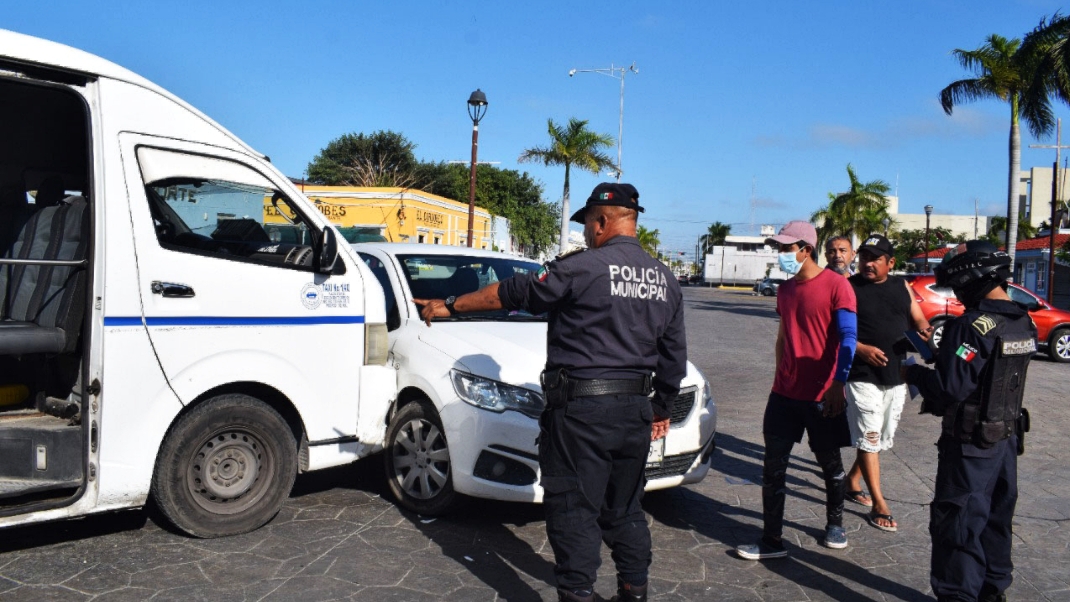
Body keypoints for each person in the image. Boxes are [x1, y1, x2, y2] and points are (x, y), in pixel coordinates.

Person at [415, 183, 686, 602]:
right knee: (625, 509)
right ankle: (634, 592)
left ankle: (577, 594)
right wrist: (661, 408)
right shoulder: (665, 279)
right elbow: (674, 357)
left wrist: (449, 305)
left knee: (574, 511)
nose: (587, 234)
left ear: (601, 221)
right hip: (635, 413)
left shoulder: (581, 268)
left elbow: (513, 293)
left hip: (582, 413)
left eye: (589, 226)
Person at [904, 241, 1035, 602]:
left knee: (958, 524)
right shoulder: (1020, 319)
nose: (957, 293)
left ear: (970, 278)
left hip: (971, 446)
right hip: (1005, 440)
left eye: (957, 285)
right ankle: (993, 592)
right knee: (995, 520)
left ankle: (959, 595)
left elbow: (950, 388)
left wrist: (913, 373)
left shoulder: (972, 325)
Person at [736, 220, 857, 560]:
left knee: (829, 464)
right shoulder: (785, 290)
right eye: (779, 248)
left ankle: (835, 523)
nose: (781, 254)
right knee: (773, 468)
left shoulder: (837, 286)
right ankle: (772, 540)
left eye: (786, 248)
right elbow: (783, 337)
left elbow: (848, 338)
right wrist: (780, 376)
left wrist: (838, 383)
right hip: (784, 394)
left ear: (806, 250)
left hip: (823, 394)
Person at [842, 235, 931, 533]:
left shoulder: (901, 286)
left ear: (890, 263)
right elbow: (834, 330)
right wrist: (861, 349)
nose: (867, 263)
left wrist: (923, 330)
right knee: (870, 434)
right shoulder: (849, 287)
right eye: (864, 257)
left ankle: (852, 480)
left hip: (896, 373)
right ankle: (880, 503)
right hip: (860, 374)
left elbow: (918, 318)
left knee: (879, 436)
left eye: (875, 258)